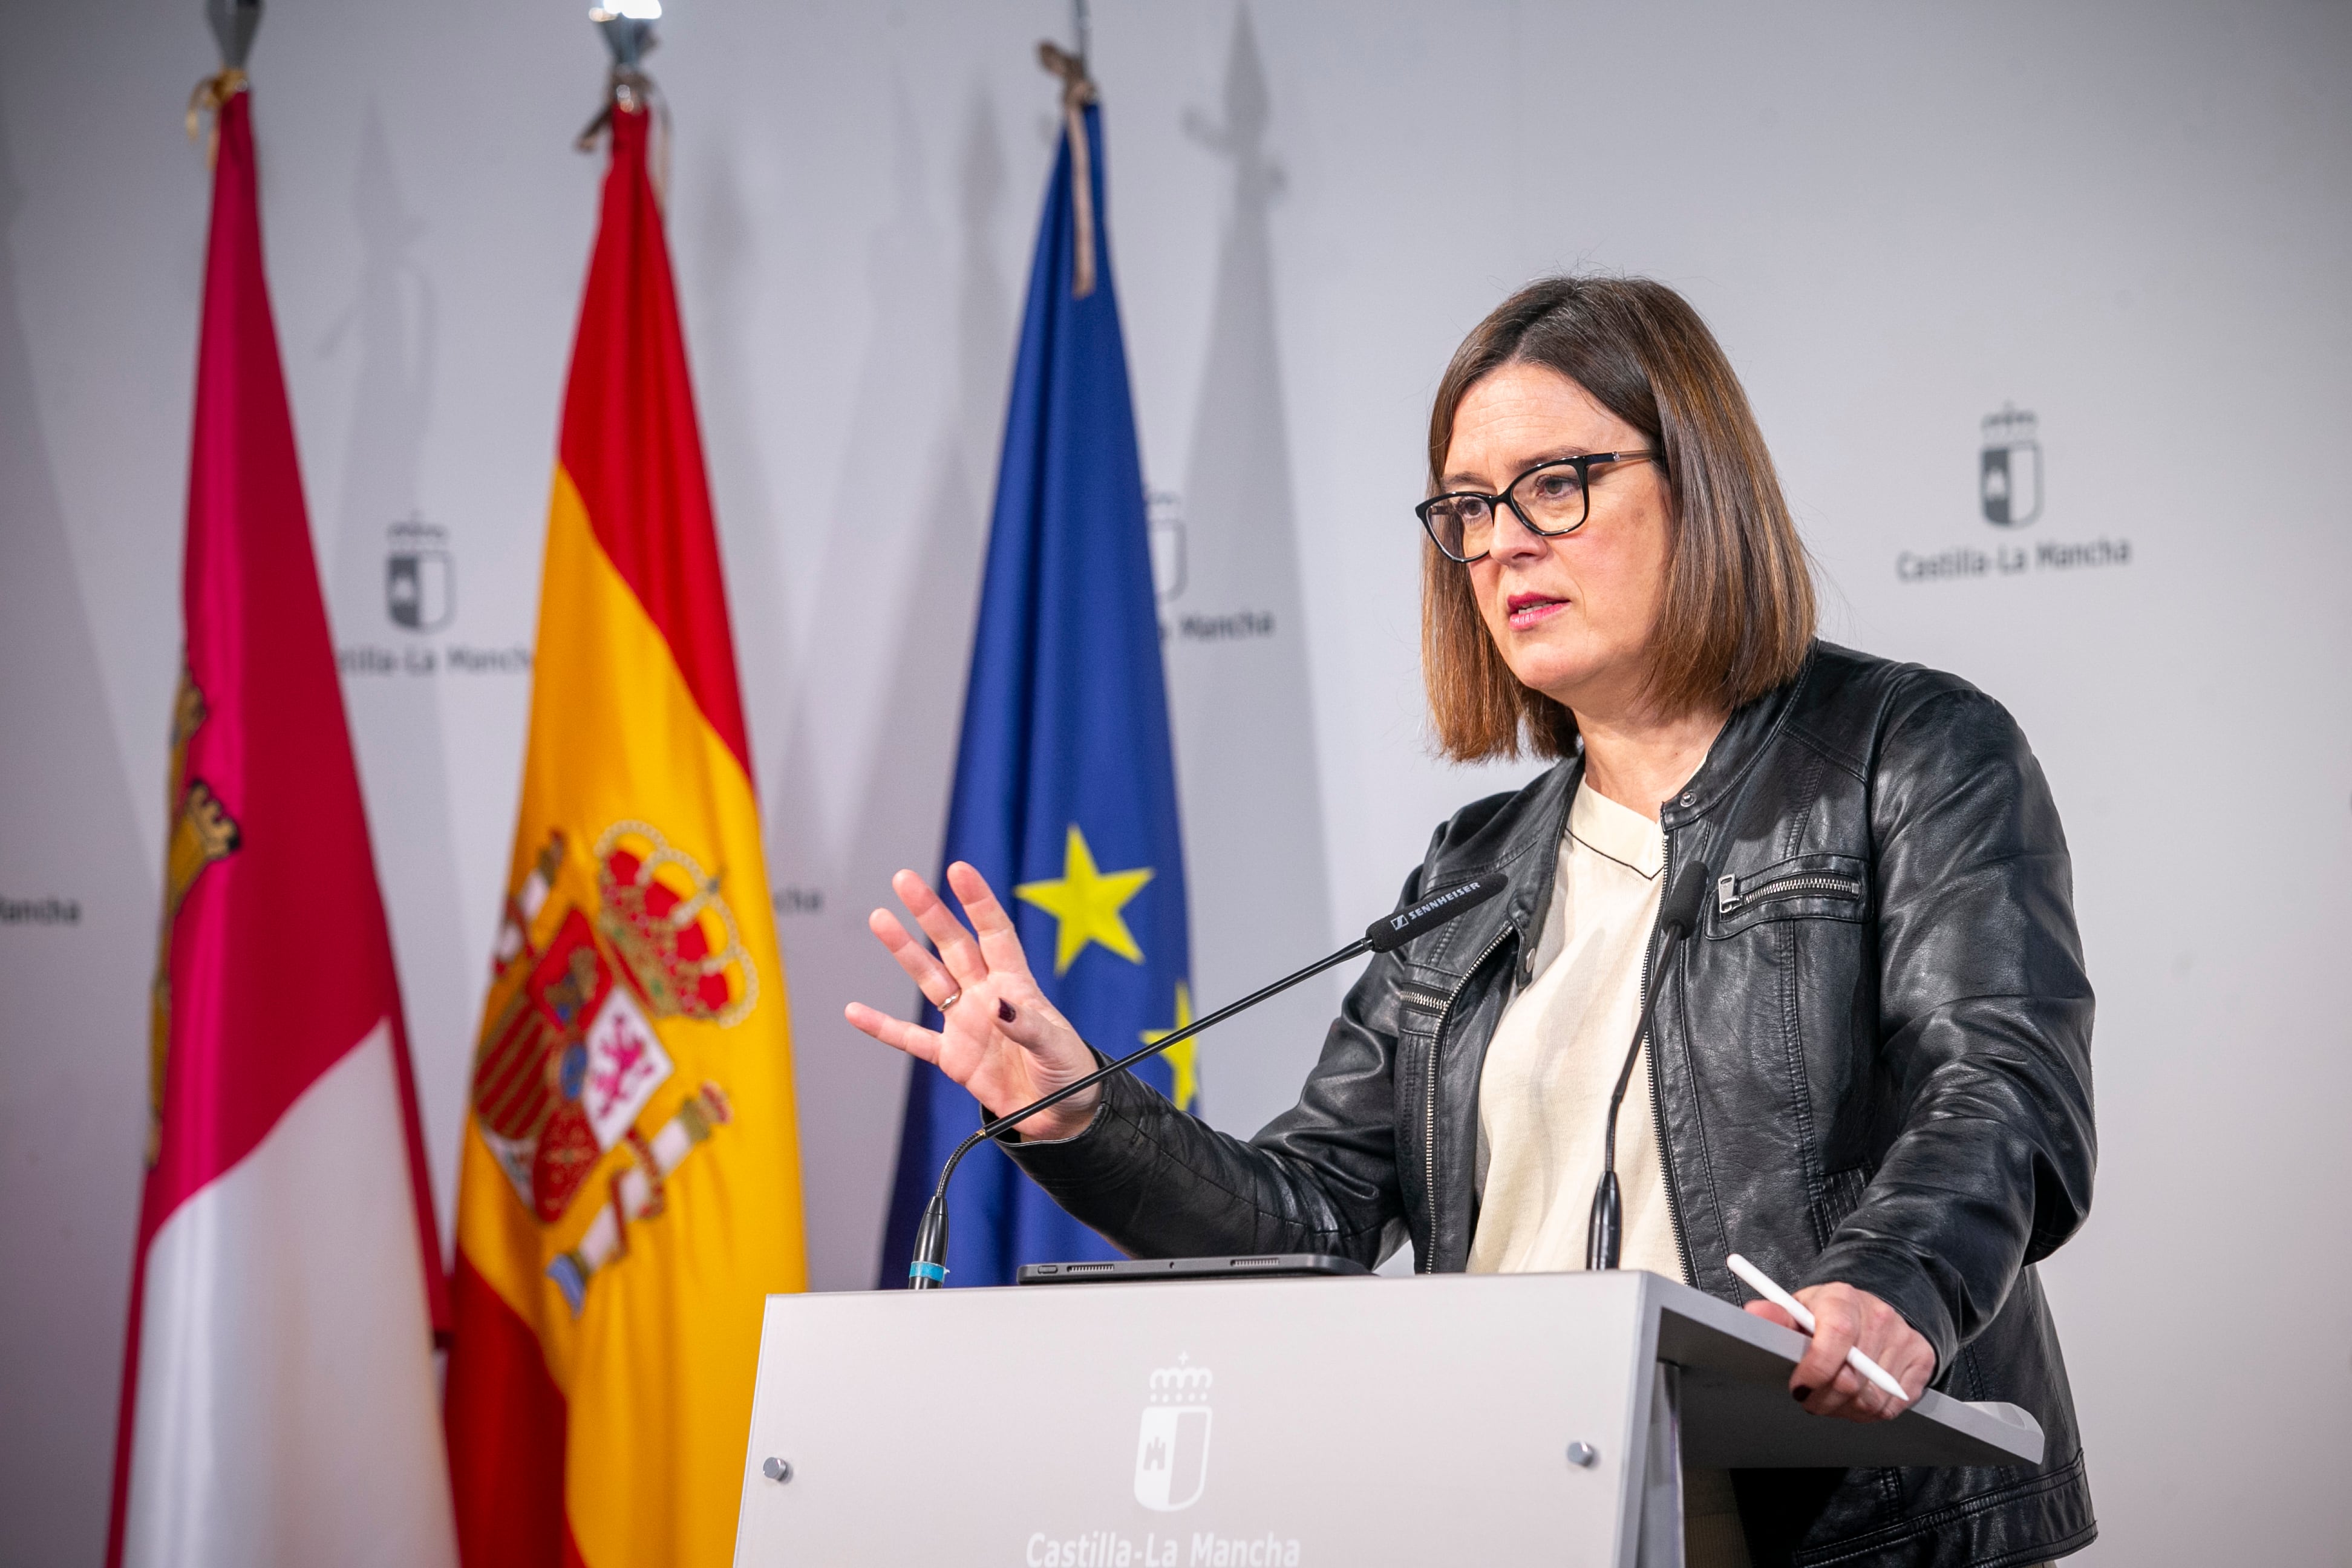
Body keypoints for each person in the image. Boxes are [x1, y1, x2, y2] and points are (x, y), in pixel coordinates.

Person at [845, 276, 2096, 1568]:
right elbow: (1313, 1217)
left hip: (1839, 1527)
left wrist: (1895, 1284)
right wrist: (1083, 1115)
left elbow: (2003, 1088)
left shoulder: (1912, 753)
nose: (1502, 544)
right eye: (1467, 509)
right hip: (1522, 1512)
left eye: (1555, 483)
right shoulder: (1476, 868)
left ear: (1699, 480)